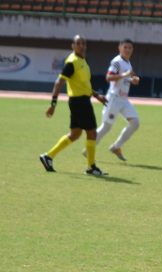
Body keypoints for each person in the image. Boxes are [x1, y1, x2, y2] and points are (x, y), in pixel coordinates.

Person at [39, 35, 107, 176]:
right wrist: (53, 104)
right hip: (80, 102)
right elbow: (59, 82)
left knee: (75, 134)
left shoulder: (82, 61)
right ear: (73, 46)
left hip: (80, 101)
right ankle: (91, 167)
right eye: (78, 43)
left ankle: (48, 156)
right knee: (92, 132)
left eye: (83, 43)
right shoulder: (72, 62)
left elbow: (83, 85)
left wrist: (96, 95)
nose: (81, 45)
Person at [94, 38, 140, 162]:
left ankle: (116, 147)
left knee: (135, 123)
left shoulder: (128, 62)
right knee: (106, 127)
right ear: (119, 48)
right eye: (125, 47)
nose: (128, 50)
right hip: (114, 99)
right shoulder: (117, 62)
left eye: (130, 48)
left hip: (124, 100)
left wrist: (134, 79)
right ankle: (89, 148)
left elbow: (130, 75)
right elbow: (108, 77)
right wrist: (126, 75)